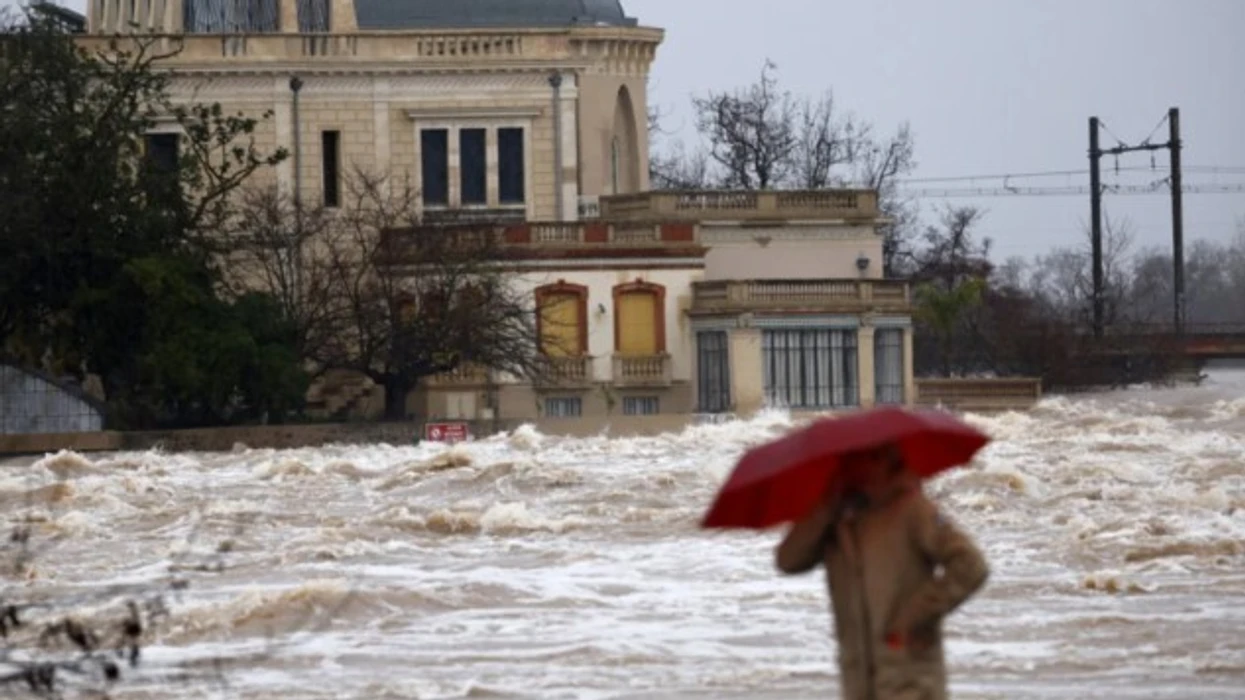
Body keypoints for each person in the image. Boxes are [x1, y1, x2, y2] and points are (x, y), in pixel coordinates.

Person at [775, 444, 989, 700]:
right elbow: (788, 560)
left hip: (908, 674)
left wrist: (914, 616)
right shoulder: (838, 518)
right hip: (859, 677)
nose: (857, 468)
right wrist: (823, 509)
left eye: (868, 459)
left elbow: (970, 565)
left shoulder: (913, 509)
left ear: (888, 462)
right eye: (851, 461)